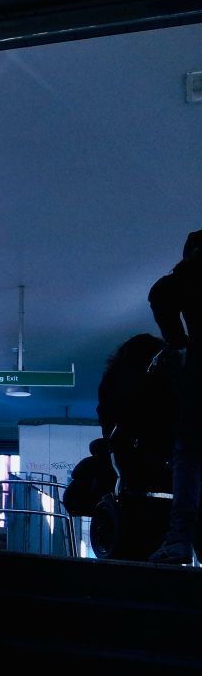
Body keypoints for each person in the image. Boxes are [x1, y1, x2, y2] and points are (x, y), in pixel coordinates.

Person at [147, 230, 202, 563]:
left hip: (200, 377)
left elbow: (160, 293)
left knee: (190, 453)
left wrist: (178, 341)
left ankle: (180, 537)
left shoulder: (183, 279)